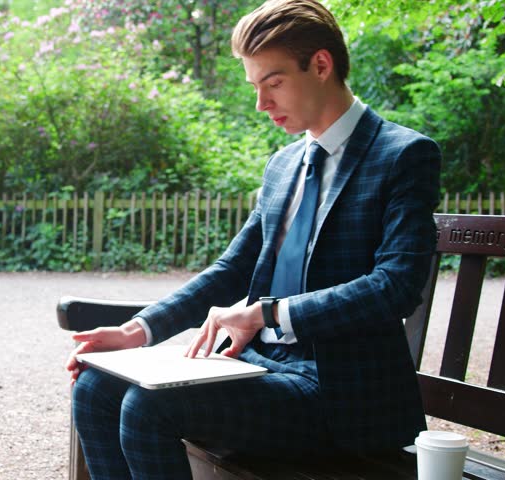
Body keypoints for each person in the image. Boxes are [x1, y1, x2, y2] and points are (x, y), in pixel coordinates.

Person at [64, 0, 441, 478]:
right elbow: (232, 269)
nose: (261, 103)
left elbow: (396, 286)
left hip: (342, 396)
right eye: (254, 86)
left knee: (147, 407)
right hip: (261, 370)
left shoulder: (403, 155)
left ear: (321, 65)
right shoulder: (283, 165)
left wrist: (265, 313)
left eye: (274, 82)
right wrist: (135, 332)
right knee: (95, 390)